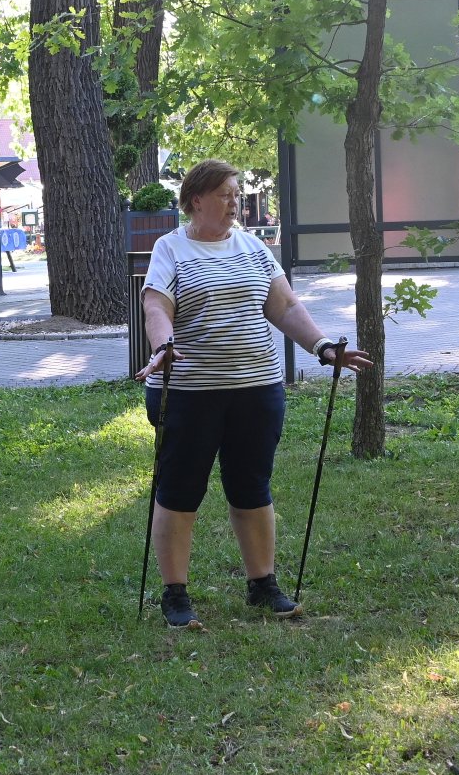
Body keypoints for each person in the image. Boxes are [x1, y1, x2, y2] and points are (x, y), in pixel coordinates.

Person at [137, 158, 373, 629]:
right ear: (196, 199)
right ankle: (175, 594)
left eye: (236, 193)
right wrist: (163, 345)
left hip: (256, 389)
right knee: (180, 491)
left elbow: (283, 304)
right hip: (189, 392)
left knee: (252, 487)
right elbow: (155, 304)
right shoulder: (170, 248)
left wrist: (322, 346)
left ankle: (262, 584)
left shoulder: (253, 247)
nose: (234, 202)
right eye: (225, 193)